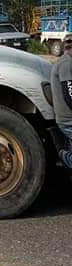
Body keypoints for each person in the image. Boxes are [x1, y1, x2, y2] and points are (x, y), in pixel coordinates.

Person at [51, 37, 72, 168]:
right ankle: (64, 156)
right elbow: (69, 94)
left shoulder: (66, 61)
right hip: (68, 119)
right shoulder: (66, 64)